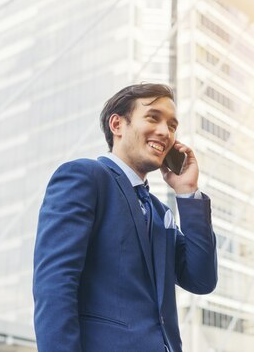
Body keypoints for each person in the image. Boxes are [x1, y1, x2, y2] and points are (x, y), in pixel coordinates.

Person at [33, 83, 218, 352]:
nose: (165, 132)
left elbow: (201, 280)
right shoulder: (84, 177)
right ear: (117, 124)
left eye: (172, 125)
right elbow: (54, 285)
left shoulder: (159, 212)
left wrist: (188, 193)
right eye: (153, 117)